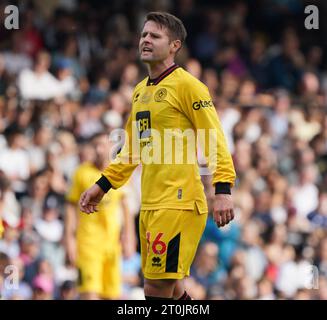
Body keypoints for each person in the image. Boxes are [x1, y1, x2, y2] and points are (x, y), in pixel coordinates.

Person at [79, 12, 236, 300]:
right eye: (143, 35)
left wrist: (222, 189)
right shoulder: (140, 92)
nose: (145, 40)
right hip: (150, 204)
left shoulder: (189, 86)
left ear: (175, 45)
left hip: (178, 203)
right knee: (173, 290)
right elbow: (131, 150)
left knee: (155, 288)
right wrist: (102, 186)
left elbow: (214, 136)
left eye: (155, 36)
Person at [65, 132, 136, 300]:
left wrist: (129, 238)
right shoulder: (81, 173)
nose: (98, 149)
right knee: (90, 294)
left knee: (112, 295)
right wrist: (69, 239)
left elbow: (126, 208)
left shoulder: (118, 173)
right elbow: (70, 207)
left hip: (112, 244)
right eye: (95, 145)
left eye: (101, 145)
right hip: (88, 243)